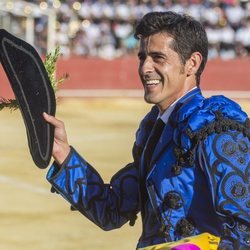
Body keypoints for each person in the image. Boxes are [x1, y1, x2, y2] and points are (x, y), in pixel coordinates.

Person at [43, 11, 250, 250]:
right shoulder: (155, 131)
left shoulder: (215, 126)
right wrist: (63, 154)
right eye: (142, 57)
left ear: (192, 63)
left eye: (158, 58)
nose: (144, 68)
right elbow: (111, 210)